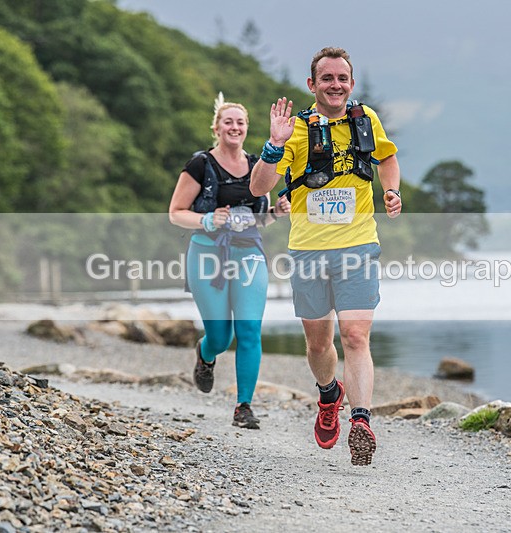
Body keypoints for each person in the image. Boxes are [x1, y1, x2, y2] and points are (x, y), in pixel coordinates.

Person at [250, 47, 402, 465]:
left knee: (355, 335)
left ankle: (361, 420)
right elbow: (259, 188)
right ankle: (328, 394)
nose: (336, 85)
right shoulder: (295, 130)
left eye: (343, 78)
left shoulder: (364, 119)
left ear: (351, 83)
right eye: (327, 78)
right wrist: (273, 145)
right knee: (319, 344)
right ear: (312, 84)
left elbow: (387, 157)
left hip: (358, 244)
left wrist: (392, 190)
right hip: (308, 250)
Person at [169, 93, 290, 430]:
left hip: (248, 252)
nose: (234, 127)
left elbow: (260, 219)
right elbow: (176, 213)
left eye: (240, 122)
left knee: (249, 329)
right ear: (217, 128)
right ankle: (206, 356)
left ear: (246, 128)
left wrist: (276, 213)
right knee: (220, 337)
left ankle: (243, 406)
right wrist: (208, 220)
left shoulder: (258, 166)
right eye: (228, 121)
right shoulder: (200, 165)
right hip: (207, 252)